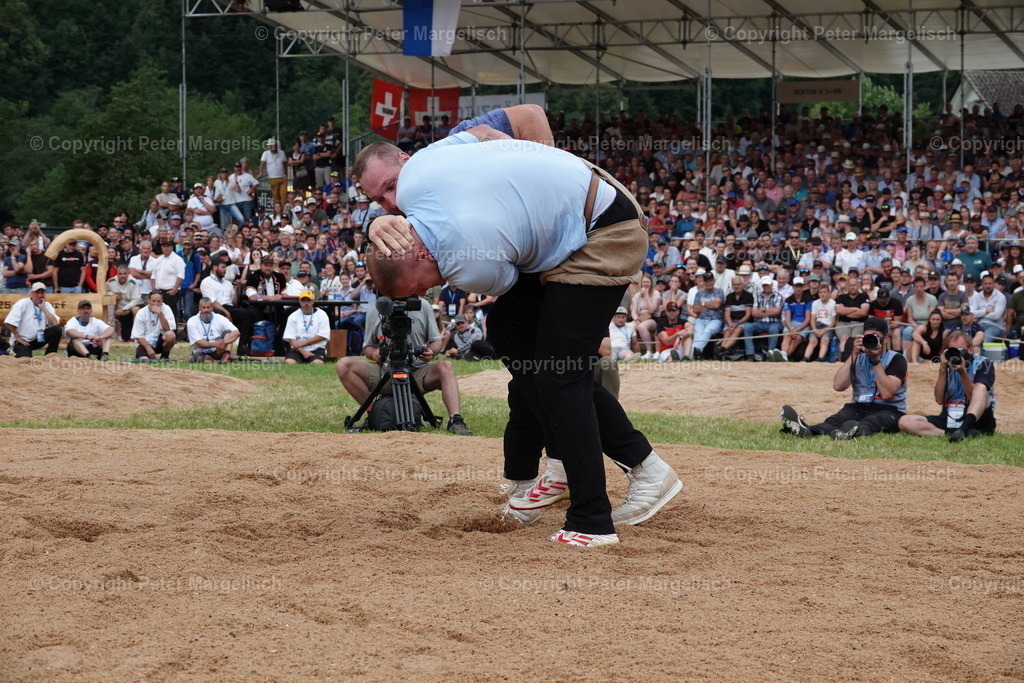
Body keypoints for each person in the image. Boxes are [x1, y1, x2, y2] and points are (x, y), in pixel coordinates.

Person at [356, 125, 678, 547]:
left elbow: (507, 275)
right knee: (510, 334)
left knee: (559, 372)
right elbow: (485, 134)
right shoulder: (419, 175)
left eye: (418, 287)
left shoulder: (469, 261)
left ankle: (594, 519)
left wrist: (533, 189)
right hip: (573, 207)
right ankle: (571, 466)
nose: (427, 294)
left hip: (604, 229)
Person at [335, 296, 473, 434]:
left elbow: (436, 341)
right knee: (343, 364)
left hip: (417, 372)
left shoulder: (423, 305)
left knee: (446, 366)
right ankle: (375, 412)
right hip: (385, 371)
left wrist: (432, 351)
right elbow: (368, 347)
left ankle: (456, 420)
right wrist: (374, 353)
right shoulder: (376, 309)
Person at [780, 316, 908, 440]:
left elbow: (887, 393)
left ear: (885, 339)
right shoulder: (857, 357)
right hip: (860, 406)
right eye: (867, 337)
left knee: (869, 422)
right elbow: (838, 386)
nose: (871, 340)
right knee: (835, 420)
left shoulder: (897, 359)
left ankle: (849, 433)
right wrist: (853, 355)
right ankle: (806, 430)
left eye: (875, 337)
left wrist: (876, 361)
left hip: (889, 410)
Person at [899, 330, 997, 442]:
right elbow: (939, 399)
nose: (956, 354)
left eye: (959, 350)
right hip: (951, 416)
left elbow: (973, 397)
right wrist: (943, 369)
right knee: (905, 421)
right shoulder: (947, 365)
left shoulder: (983, 363)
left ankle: (964, 428)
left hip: (979, 418)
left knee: (981, 389)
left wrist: (962, 372)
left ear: (970, 350)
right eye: (952, 350)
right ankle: (955, 433)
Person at [4, 283, 63, 356]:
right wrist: (18, 338)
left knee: (57, 330)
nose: (40, 295)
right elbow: (8, 322)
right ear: (31, 293)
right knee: (26, 360)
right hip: (24, 341)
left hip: (39, 339)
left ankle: (50, 356)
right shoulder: (22, 303)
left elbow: (55, 323)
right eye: (37, 293)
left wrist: (43, 308)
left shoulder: (47, 305)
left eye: (42, 292)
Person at [741, 275, 784, 361]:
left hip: (774, 323)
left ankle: (770, 355)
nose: (766, 287)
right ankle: (750, 354)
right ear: (762, 286)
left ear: (771, 285)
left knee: (774, 329)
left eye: (768, 285)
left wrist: (762, 310)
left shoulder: (778, 296)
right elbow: (753, 312)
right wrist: (769, 312)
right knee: (748, 327)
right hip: (760, 323)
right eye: (764, 285)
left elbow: (777, 311)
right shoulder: (757, 296)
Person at [283, 290, 330, 364]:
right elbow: (290, 338)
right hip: (298, 349)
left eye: (308, 300)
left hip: (316, 348)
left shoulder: (322, 315)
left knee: (317, 363)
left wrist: (303, 343)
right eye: (303, 300)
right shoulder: (293, 316)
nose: (306, 303)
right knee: (289, 362)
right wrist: (303, 351)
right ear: (299, 302)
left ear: (313, 301)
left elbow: (322, 336)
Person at [187, 297, 239, 363]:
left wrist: (223, 342)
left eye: (208, 307)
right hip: (201, 351)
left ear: (212, 308)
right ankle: (218, 360)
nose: (206, 310)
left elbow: (236, 332)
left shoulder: (219, 318)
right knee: (203, 359)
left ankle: (226, 355)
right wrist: (216, 344)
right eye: (203, 307)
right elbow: (199, 343)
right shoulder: (192, 321)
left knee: (228, 333)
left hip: (218, 350)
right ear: (199, 308)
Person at [131, 291, 177, 359]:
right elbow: (138, 336)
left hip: (160, 340)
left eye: (158, 301)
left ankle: (165, 356)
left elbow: (167, 329)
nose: (156, 304)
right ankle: (145, 355)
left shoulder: (166, 309)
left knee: (171, 335)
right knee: (144, 360)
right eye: (154, 301)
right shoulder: (141, 312)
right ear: (148, 301)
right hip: (145, 341)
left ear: (162, 301)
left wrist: (160, 314)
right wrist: (148, 348)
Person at [718, 275, 753, 360]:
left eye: (738, 284)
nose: (736, 286)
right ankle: (722, 352)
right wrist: (730, 324)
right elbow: (727, 313)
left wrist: (737, 323)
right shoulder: (729, 296)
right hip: (731, 321)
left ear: (742, 284)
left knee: (737, 330)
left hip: (743, 322)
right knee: (727, 332)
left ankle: (722, 349)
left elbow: (748, 314)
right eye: (734, 284)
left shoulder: (748, 295)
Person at [689, 272, 723, 358]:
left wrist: (703, 304)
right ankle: (695, 354)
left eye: (711, 281)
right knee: (697, 333)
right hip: (701, 319)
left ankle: (695, 351)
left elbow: (716, 305)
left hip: (715, 319)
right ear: (703, 282)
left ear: (714, 281)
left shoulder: (719, 291)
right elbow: (695, 309)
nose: (709, 283)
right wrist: (710, 304)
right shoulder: (699, 293)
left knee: (708, 331)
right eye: (707, 281)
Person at [779, 276, 813, 361]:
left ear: (803, 287)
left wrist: (797, 329)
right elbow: (787, 318)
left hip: (804, 324)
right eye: (796, 286)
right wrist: (791, 328)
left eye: (800, 286)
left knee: (796, 339)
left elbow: (808, 319)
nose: (798, 288)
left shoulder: (808, 299)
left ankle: (784, 356)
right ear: (793, 287)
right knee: (786, 336)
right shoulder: (788, 300)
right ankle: (784, 355)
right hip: (791, 323)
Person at [107, 263, 144, 341]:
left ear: (128, 273)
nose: (122, 276)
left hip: (130, 308)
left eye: (125, 273)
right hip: (118, 309)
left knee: (136, 309)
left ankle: (137, 335)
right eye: (120, 274)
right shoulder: (111, 281)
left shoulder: (133, 282)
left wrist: (124, 309)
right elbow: (105, 292)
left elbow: (137, 299)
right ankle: (111, 334)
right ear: (117, 273)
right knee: (110, 301)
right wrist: (113, 295)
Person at [833, 274, 870, 348]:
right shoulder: (841, 297)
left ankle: (854, 359)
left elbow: (863, 312)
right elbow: (839, 311)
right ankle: (844, 358)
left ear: (858, 285)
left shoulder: (864, 296)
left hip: (860, 323)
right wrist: (856, 309)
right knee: (844, 339)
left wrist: (845, 311)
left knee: (855, 340)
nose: (852, 287)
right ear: (847, 286)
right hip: (843, 323)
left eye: (854, 285)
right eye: (850, 285)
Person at [969, 273, 1006, 342]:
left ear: (994, 284)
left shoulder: (1000, 297)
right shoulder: (977, 296)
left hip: (995, 326)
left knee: (985, 341)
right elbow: (972, 313)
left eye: (990, 283)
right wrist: (986, 311)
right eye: (985, 283)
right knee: (967, 339)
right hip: (978, 325)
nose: (988, 286)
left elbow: (996, 316)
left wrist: (979, 315)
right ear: (982, 284)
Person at [805, 282, 836, 361]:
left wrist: (823, 332)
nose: (823, 294)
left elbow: (833, 322)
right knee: (812, 341)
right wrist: (815, 329)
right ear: (818, 293)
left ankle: (820, 358)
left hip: (828, 326)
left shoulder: (833, 303)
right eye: (820, 292)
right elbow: (813, 319)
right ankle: (805, 358)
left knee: (824, 340)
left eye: (825, 292)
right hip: (817, 325)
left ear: (829, 293)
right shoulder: (815, 303)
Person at [260, 138, 289, 208]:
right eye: (270, 145)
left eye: (273, 145)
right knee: (276, 197)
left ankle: (284, 212)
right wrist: (261, 173)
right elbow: (262, 164)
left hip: (282, 177)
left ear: (276, 145)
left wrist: (286, 174)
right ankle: (277, 211)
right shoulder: (266, 153)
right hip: (272, 178)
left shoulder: (282, 152)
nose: (272, 146)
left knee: (284, 196)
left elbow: (285, 163)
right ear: (268, 146)